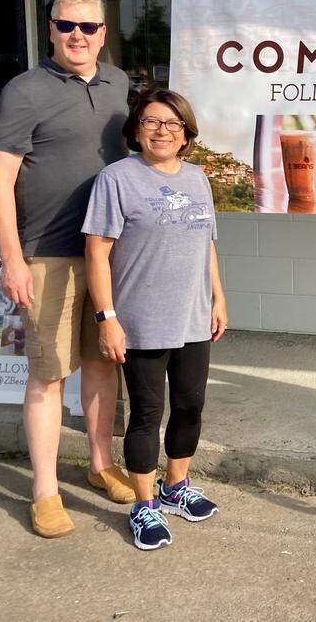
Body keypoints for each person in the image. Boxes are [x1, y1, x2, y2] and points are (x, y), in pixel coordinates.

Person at [0, 0, 134, 539]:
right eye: (66, 25)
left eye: (89, 27)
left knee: (101, 362)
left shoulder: (118, 84)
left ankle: (99, 465)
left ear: (103, 33)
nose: (78, 35)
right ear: (50, 29)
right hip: (46, 252)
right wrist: (12, 258)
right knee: (48, 374)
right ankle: (44, 491)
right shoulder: (24, 92)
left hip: (111, 251)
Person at [83, 89, 227, 552]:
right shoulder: (116, 179)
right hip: (141, 320)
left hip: (192, 317)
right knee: (146, 413)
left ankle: (176, 486)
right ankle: (144, 504)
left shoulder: (199, 178)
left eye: (172, 124)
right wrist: (107, 317)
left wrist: (218, 298)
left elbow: (207, 244)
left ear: (186, 133)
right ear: (136, 128)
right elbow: (97, 254)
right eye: (151, 122)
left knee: (190, 405)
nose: (162, 131)